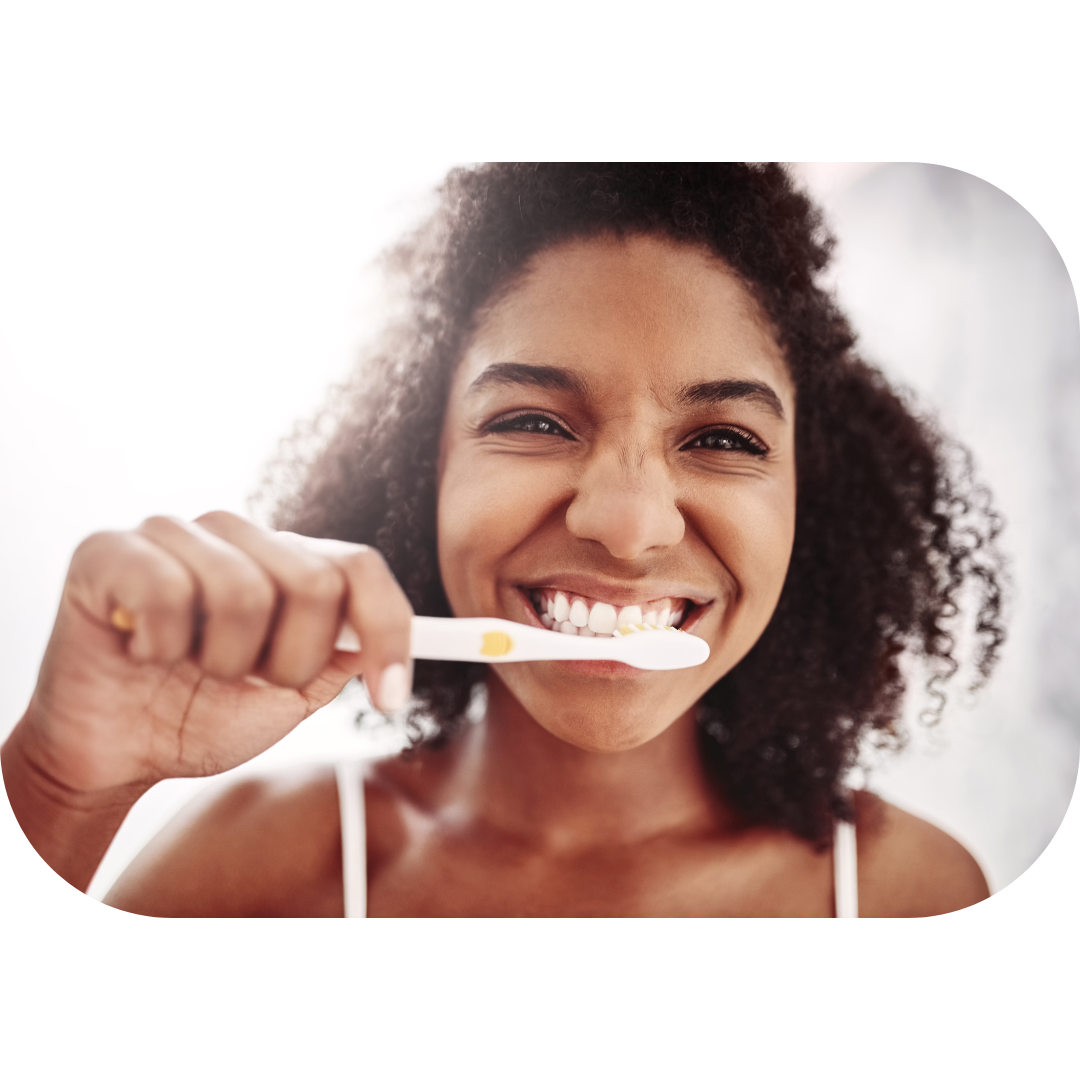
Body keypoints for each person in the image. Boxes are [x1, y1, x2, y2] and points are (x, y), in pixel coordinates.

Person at [1, 163, 1006, 917]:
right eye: (531, 421)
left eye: (720, 439)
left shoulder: (908, 896)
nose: (627, 524)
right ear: (422, 468)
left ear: (805, 505)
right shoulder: (248, 875)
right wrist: (58, 787)